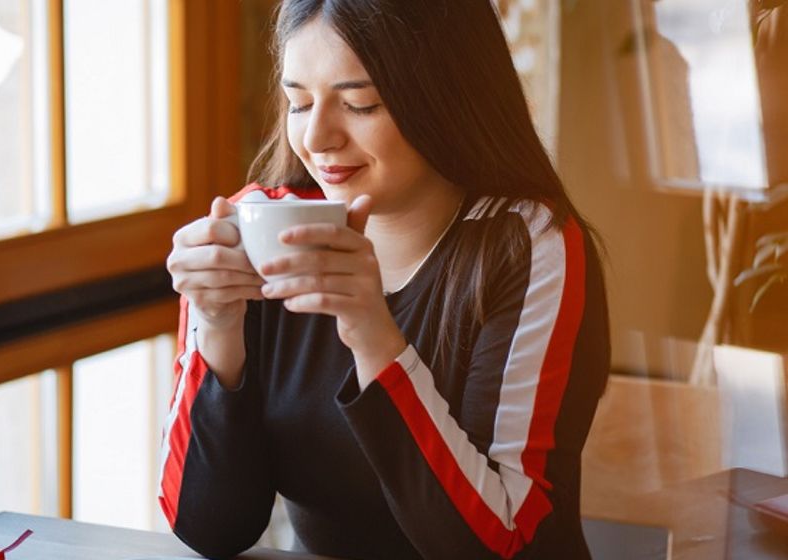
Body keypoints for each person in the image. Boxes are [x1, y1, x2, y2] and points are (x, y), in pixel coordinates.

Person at [159, 0, 610, 558]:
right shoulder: (257, 227)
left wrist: (373, 334)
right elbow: (208, 526)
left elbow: (507, 541)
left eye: (359, 104)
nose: (318, 137)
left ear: (447, 96)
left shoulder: (525, 245)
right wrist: (217, 328)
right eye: (298, 102)